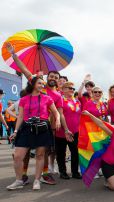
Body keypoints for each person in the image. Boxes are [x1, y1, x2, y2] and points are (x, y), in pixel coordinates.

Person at [5, 42, 71, 185]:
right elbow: (24, 70)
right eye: (51, 76)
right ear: (47, 78)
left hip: (46, 127)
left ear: (58, 80)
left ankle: (44, 174)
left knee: (44, 152)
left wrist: (63, 127)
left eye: (55, 77)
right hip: (28, 125)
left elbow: (60, 113)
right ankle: (23, 175)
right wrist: (13, 54)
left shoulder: (58, 96)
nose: (53, 78)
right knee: (26, 152)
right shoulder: (38, 85)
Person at [7, 76, 60, 190]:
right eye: (39, 83)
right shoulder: (24, 99)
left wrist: (58, 120)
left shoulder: (47, 98)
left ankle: (37, 180)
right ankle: (19, 180)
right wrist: (15, 131)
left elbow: (56, 112)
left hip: (42, 128)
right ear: (32, 84)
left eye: (43, 84)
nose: (42, 85)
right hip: (26, 128)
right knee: (17, 156)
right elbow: (20, 116)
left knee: (40, 155)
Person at [55, 82, 82, 179]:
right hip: (62, 132)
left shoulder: (77, 101)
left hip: (75, 132)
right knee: (61, 153)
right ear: (63, 89)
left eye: (73, 88)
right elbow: (60, 115)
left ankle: (75, 172)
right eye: (69, 88)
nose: (72, 90)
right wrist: (66, 129)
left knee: (75, 152)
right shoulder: (60, 100)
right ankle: (63, 172)